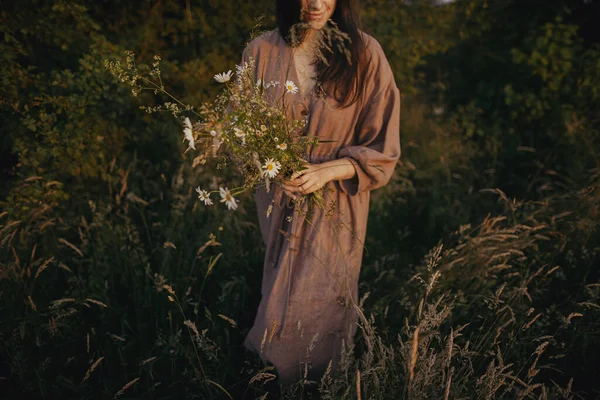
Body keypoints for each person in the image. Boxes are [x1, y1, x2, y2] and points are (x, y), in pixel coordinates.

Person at [241, 0, 401, 387]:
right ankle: (270, 382)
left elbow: (382, 147)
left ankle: (322, 385)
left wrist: (327, 171)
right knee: (277, 294)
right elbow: (240, 129)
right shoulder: (261, 51)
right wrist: (273, 169)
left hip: (338, 203)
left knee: (323, 299)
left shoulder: (364, 53)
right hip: (280, 199)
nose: (314, 3)